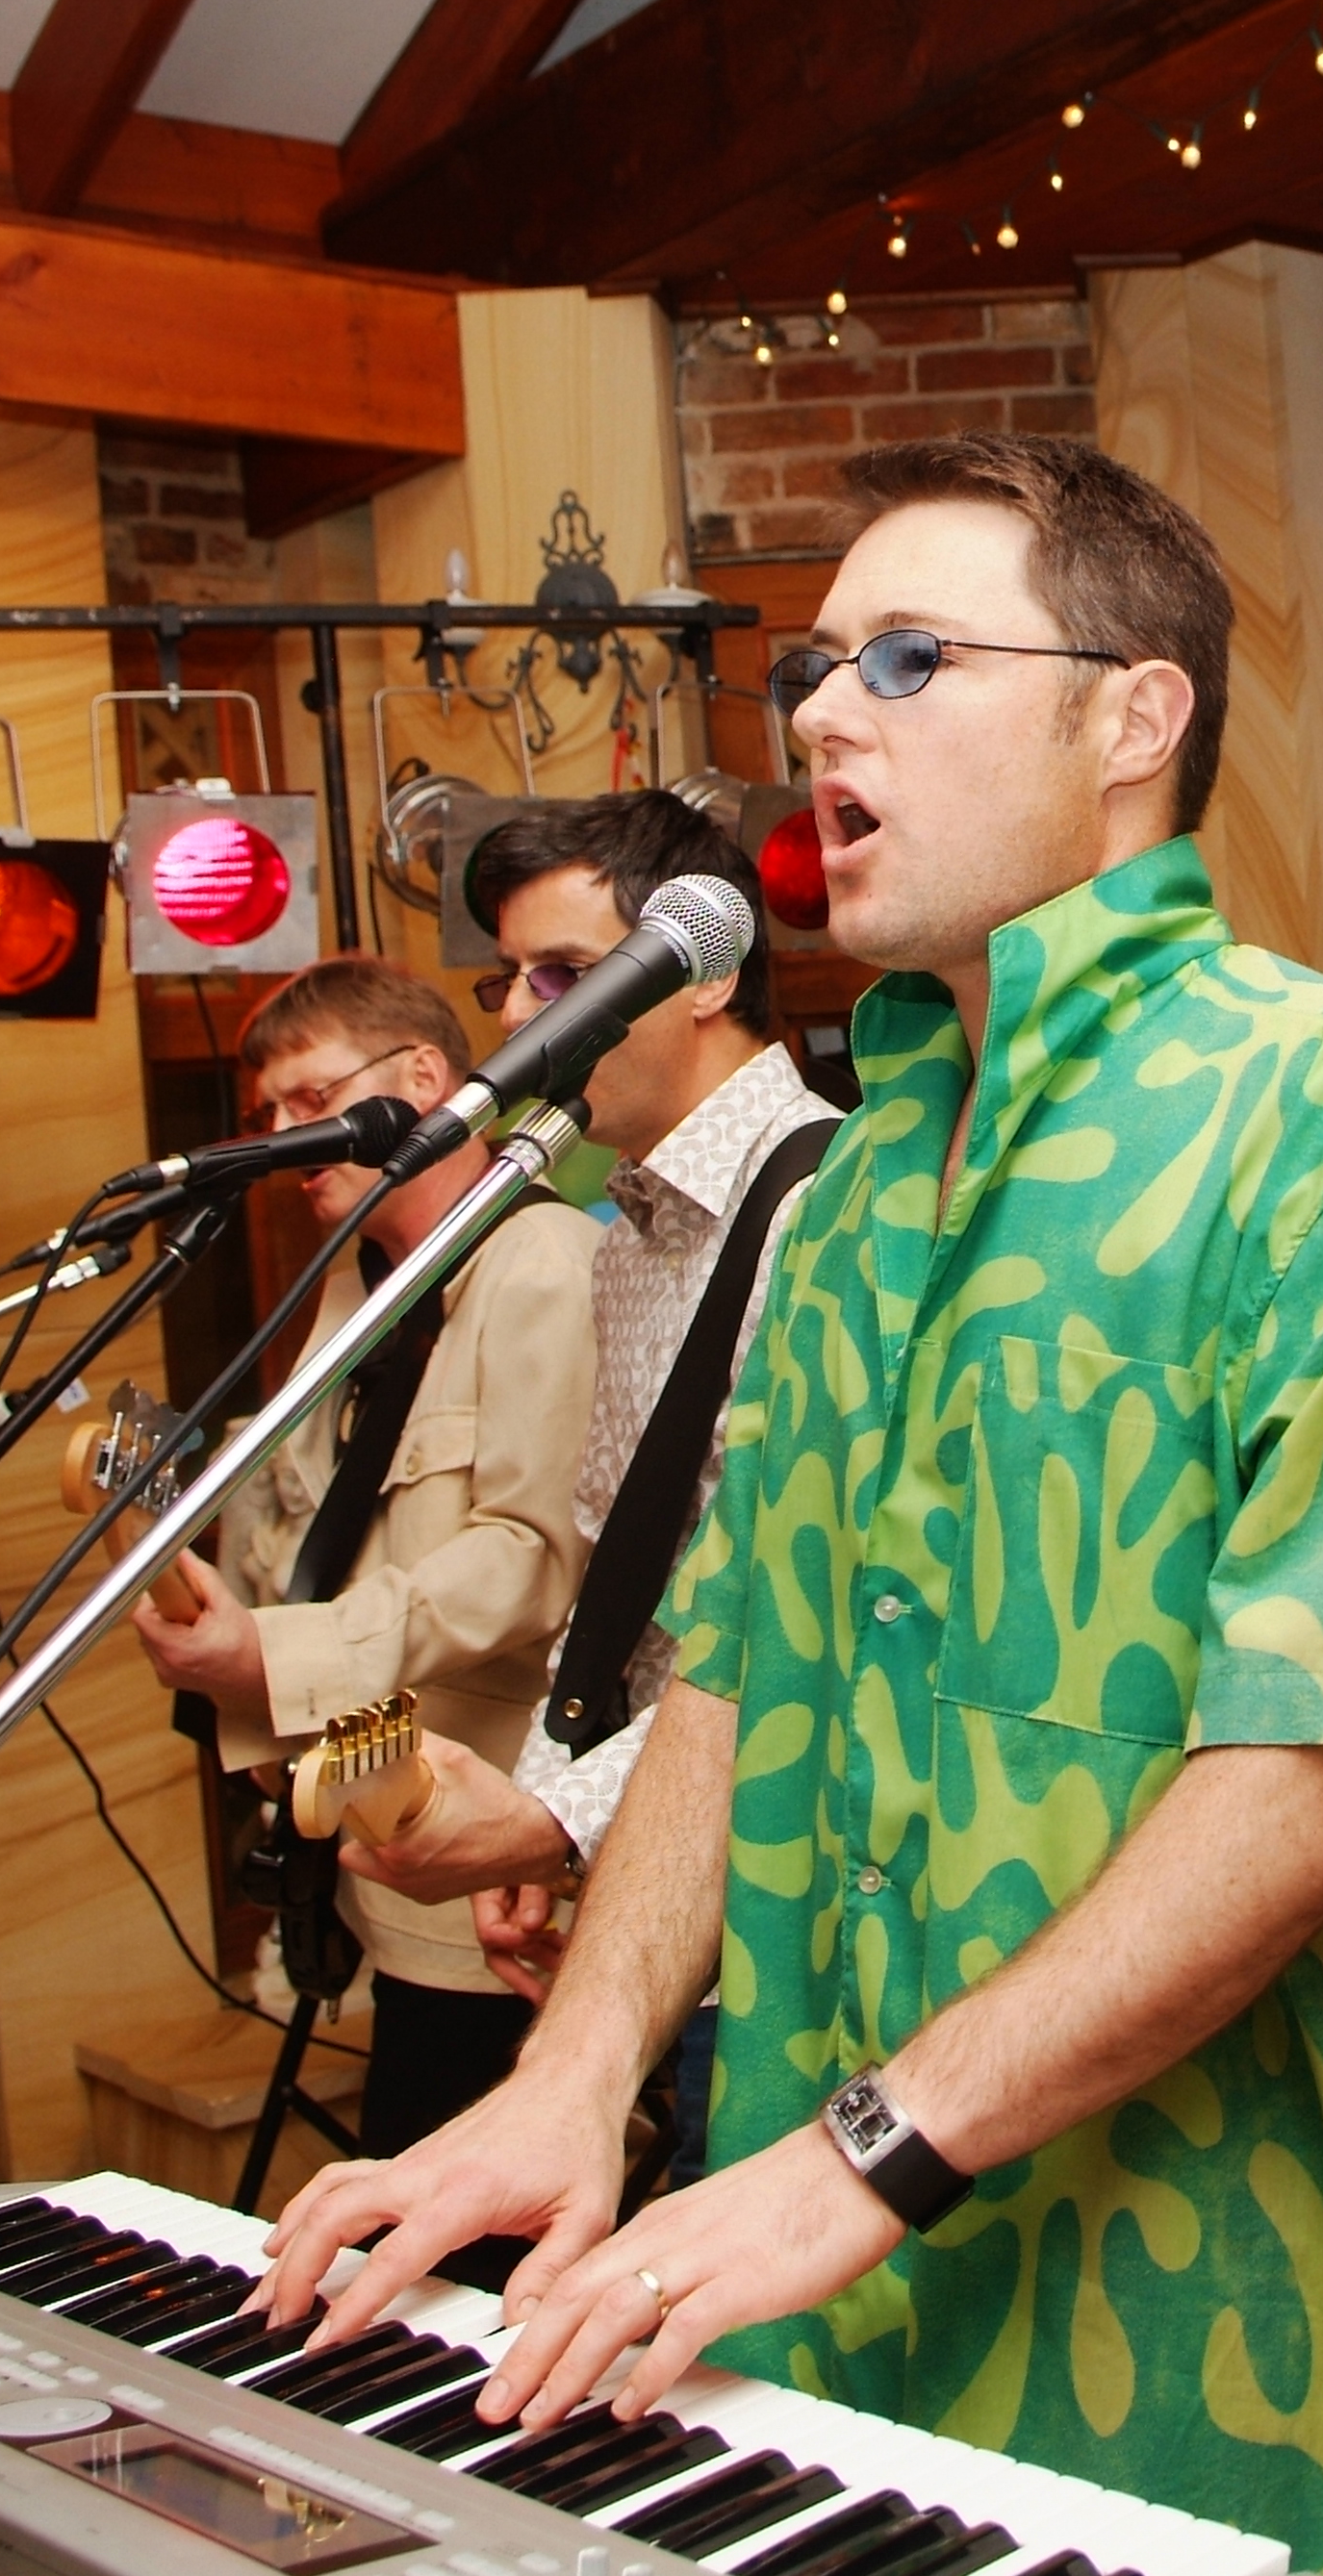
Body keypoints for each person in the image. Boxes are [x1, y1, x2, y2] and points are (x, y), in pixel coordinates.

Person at [260, 433, 1323, 2576]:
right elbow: (732, 1671)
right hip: (853, 2316)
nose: (822, 715)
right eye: (814, 665)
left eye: (908, 656)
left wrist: (855, 2157)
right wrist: (578, 2072)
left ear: (1133, 718)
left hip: (1261, 2347)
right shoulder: (864, 1178)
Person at [333, 790, 848, 2178]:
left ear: (708, 973)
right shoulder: (625, 1232)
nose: (520, 1018)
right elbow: (621, 1583)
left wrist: (558, 1814)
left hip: (791, 1922)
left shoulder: (824, 1209)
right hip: (668, 1901)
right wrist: (557, 1811)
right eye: (508, 981)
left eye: (566, 977)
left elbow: (805, 1617)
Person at [132, 957, 598, 2155]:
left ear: (424, 1078)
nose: (288, 1139)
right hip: (375, 1845)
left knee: (442, 2210)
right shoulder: (360, 1279)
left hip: (487, 1860)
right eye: (270, 1115)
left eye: (314, 1100)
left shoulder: (541, 1259)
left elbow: (526, 1559)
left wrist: (275, 1656)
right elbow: (318, 1517)